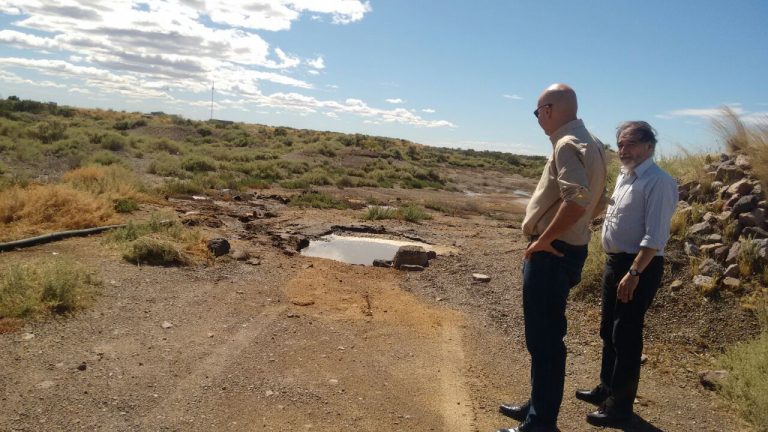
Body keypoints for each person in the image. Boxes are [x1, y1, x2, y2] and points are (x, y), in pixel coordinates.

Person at [497, 84, 607, 432]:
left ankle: (540, 423)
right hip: (570, 250)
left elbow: (576, 200)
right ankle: (537, 407)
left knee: (543, 341)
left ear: (549, 109)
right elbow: (598, 201)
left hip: (552, 254)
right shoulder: (594, 144)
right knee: (546, 337)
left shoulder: (565, 143)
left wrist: (542, 241)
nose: (538, 119)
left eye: (537, 111)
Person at [575, 121, 678, 427]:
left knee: (627, 335)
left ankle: (619, 407)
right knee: (608, 329)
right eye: (620, 144)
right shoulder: (625, 175)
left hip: (639, 267)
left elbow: (656, 236)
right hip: (616, 263)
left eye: (631, 143)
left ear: (649, 146)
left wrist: (634, 272)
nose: (624, 150)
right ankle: (606, 388)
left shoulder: (658, 182)